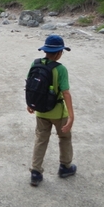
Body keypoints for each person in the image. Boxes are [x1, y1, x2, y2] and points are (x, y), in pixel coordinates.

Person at [27, 34, 76, 187]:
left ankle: (35, 172)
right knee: (64, 138)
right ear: (59, 53)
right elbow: (66, 93)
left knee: (41, 139)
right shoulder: (60, 69)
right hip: (58, 113)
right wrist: (71, 117)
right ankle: (65, 167)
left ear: (45, 51)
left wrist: (30, 104)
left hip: (41, 111)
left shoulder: (35, 64)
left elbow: (30, 86)